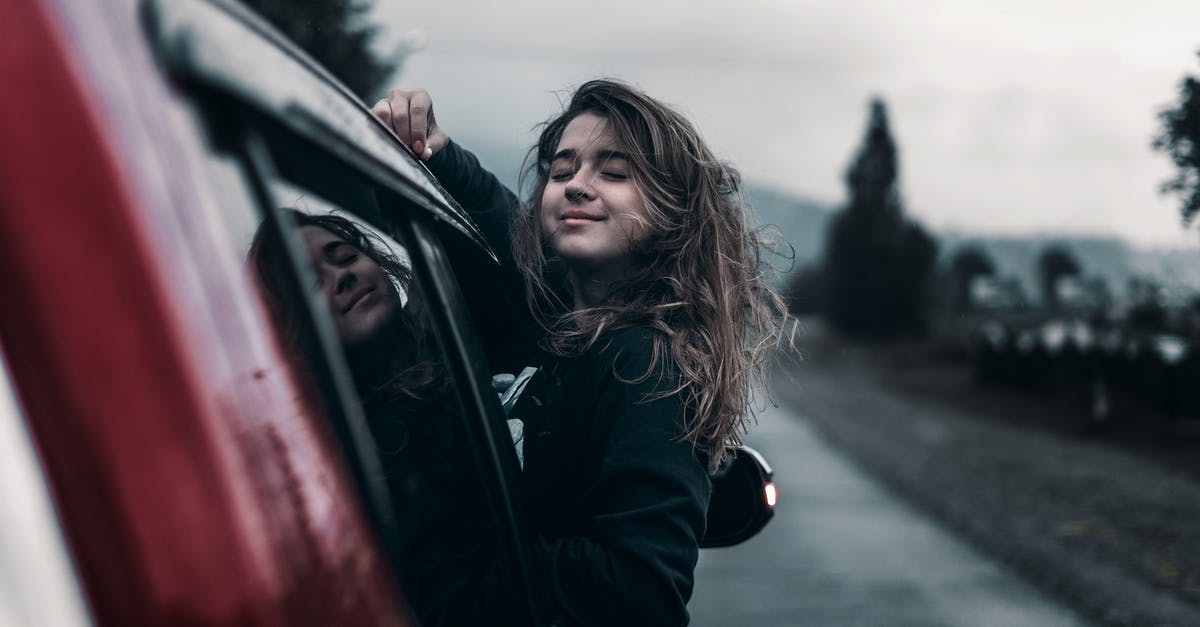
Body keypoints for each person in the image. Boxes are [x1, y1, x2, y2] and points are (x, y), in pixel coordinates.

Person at [373, 79, 790, 626]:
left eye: (613, 173)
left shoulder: (644, 363)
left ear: (671, 211)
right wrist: (436, 150)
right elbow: (495, 222)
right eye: (562, 170)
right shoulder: (562, 322)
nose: (577, 186)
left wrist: (445, 569)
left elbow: (636, 591)